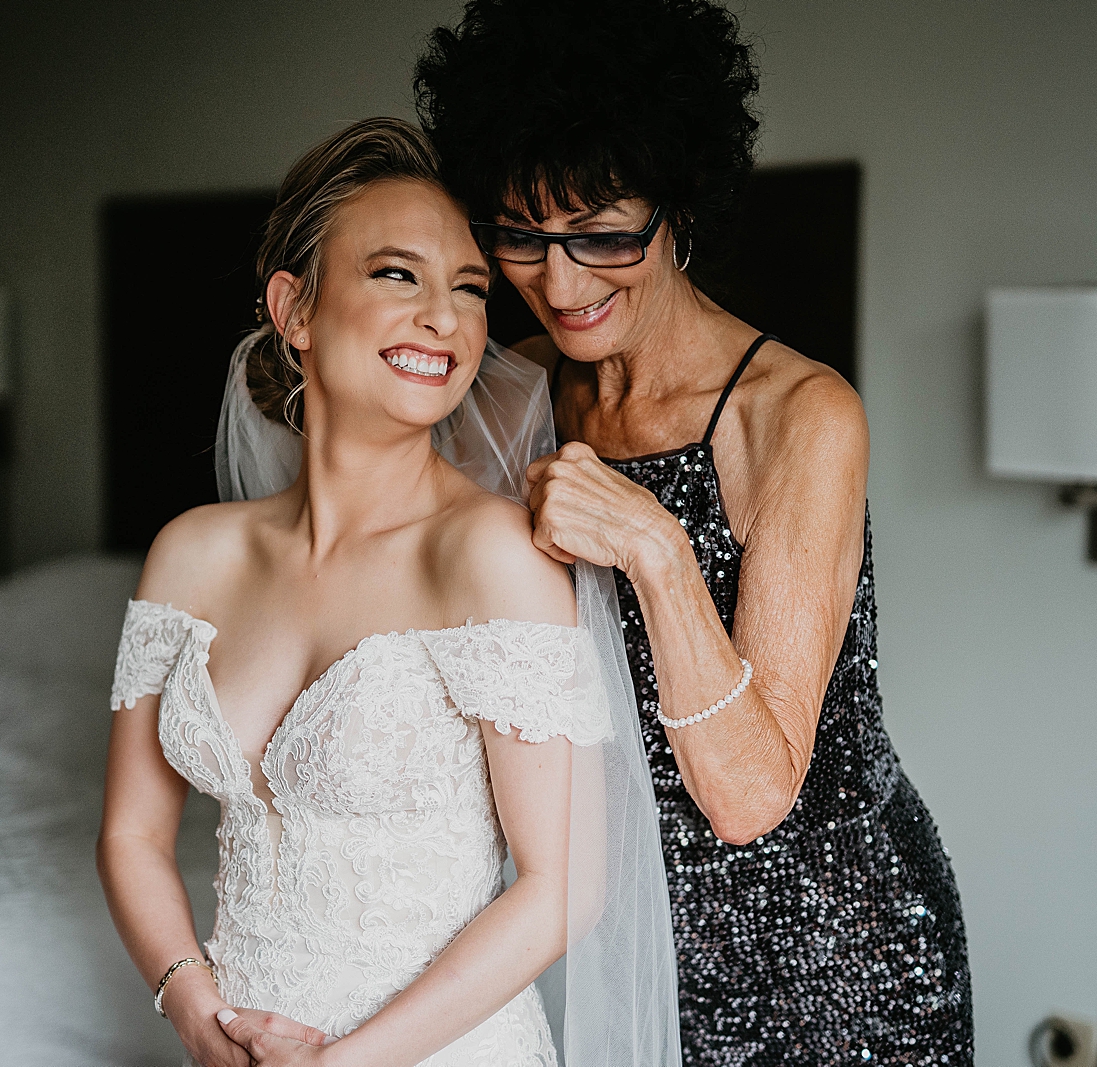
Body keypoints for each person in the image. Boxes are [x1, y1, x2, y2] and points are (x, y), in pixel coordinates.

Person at [415, 2, 974, 1064]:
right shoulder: (503, 395)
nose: (563, 282)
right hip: (625, 940)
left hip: (833, 948)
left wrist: (659, 551)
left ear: (678, 206)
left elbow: (752, 792)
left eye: (604, 234)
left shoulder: (796, 414)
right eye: (522, 237)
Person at [96, 118, 678, 1067]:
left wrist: (340, 1063)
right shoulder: (189, 558)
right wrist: (198, 1013)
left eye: (471, 289)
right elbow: (129, 831)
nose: (445, 318)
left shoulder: (489, 553)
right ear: (295, 310)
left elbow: (563, 884)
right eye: (398, 274)